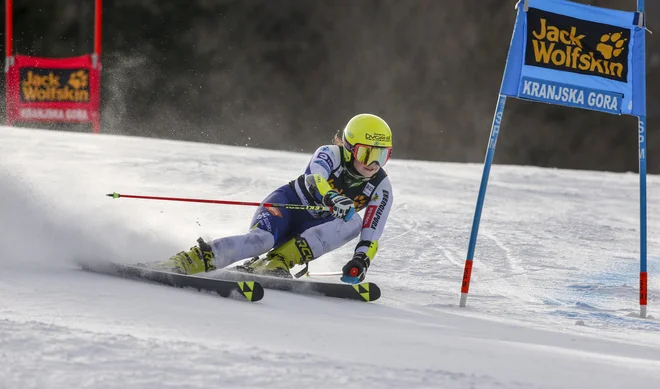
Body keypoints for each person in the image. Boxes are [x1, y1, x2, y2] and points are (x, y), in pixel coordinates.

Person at [156, 113, 394, 283]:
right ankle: (188, 261)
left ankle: (276, 263)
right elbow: (315, 178)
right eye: (366, 153)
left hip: (313, 228)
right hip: (286, 206)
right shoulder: (329, 153)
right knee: (261, 241)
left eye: (382, 156)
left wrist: (361, 261)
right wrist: (331, 197)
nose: (373, 164)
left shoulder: (381, 186)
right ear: (350, 148)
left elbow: (372, 233)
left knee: (353, 223)